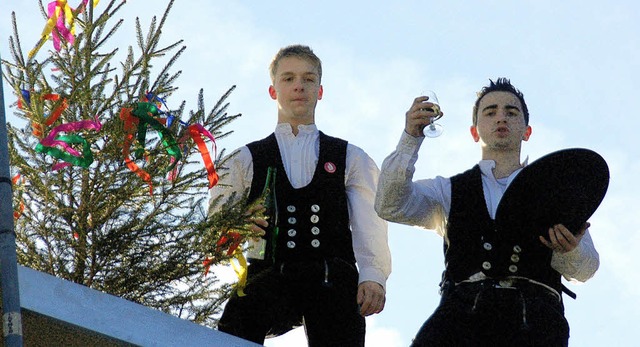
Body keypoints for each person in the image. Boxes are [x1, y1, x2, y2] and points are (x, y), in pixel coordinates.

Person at [375, 78, 599, 346]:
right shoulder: (448, 191)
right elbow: (389, 204)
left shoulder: (555, 191)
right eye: (490, 112)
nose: (501, 118)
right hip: (459, 324)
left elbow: (586, 269)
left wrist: (569, 249)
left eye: (511, 112)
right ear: (474, 131)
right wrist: (410, 138)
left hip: (535, 325)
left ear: (527, 131)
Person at [210, 44, 392, 346]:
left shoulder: (351, 157)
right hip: (268, 274)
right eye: (289, 78)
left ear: (320, 91)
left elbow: (370, 223)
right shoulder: (244, 160)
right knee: (233, 330)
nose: (299, 86)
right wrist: (234, 224)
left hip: (331, 276)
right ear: (273, 91)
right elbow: (216, 221)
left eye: (308, 79)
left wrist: (373, 275)